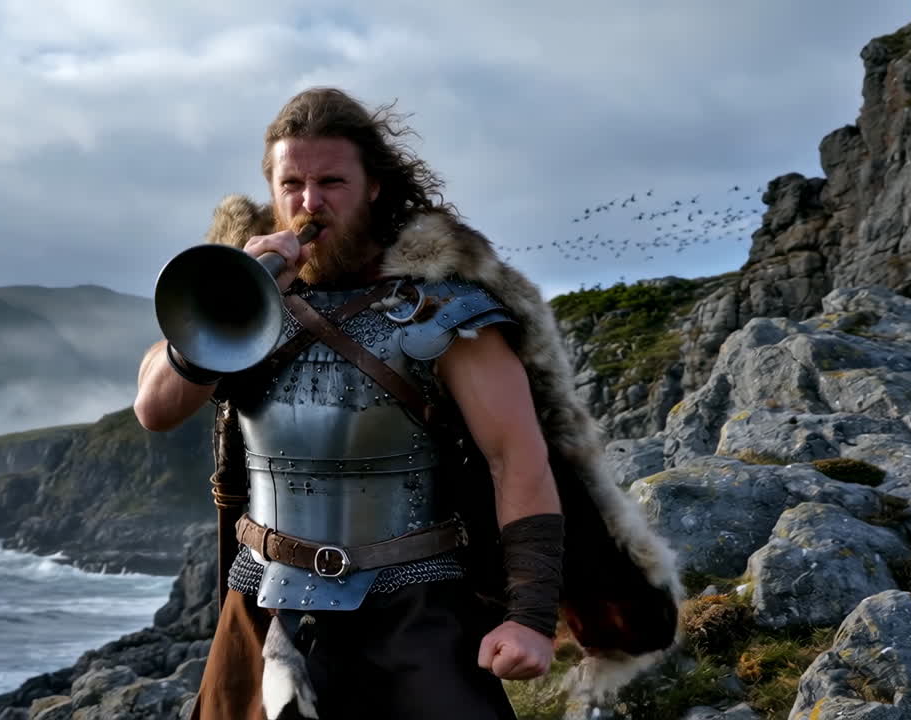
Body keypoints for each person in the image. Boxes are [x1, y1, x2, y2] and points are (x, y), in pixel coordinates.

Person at [134, 87, 683, 720]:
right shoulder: (241, 290)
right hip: (262, 601)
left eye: (332, 182)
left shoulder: (441, 307)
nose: (309, 204)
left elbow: (518, 459)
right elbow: (156, 408)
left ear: (372, 186)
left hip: (412, 608)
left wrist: (530, 617)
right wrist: (234, 295)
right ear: (272, 187)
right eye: (293, 184)